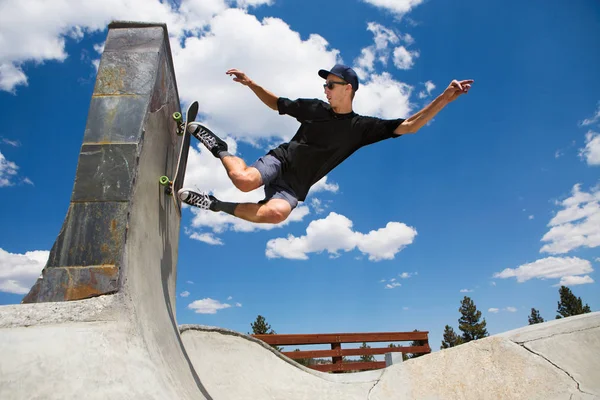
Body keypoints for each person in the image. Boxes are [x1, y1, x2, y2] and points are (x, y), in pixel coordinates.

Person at [178, 64, 473, 224]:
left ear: (348, 89)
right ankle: (218, 146)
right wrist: (251, 83)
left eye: (330, 85)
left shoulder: (362, 128)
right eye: (325, 86)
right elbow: (277, 103)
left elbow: (411, 125)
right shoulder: (314, 108)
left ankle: (214, 204)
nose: (326, 90)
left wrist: (446, 97)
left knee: (276, 214)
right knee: (243, 181)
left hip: (295, 186)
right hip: (281, 160)